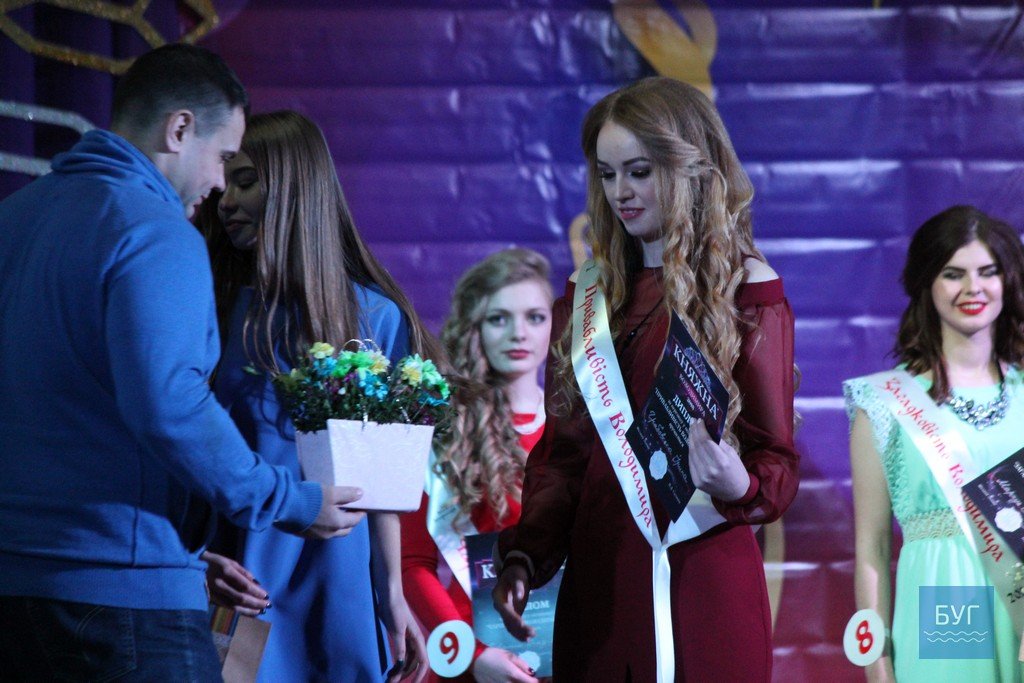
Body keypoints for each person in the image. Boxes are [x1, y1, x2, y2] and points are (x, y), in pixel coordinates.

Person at [0, 45, 364, 679]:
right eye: (223, 158)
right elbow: (171, 406)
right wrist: (288, 500)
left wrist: (189, 557)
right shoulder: (155, 229)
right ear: (179, 129)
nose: (220, 185)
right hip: (123, 603)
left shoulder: (14, 218)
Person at [491, 76, 800, 681]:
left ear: (689, 169)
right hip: (601, 586)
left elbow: (777, 458)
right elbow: (564, 456)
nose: (621, 193)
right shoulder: (587, 297)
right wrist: (526, 554)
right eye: (607, 175)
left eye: (639, 172)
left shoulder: (746, 289)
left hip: (703, 577)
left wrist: (739, 482)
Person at [199, 110, 434, 682]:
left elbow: (379, 482)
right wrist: (195, 561)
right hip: (240, 579)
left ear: (295, 189)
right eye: (224, 183)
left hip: (339, 581)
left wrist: (391, 593)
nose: (227, 201)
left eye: (246, 181)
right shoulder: (210, 305)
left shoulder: (375, 315)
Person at [846, 205, 1024, 682]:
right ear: (927, 282)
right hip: (945, 609)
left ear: (1007, 280)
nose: (973, 288)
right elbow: (872, 548)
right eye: (953, 274)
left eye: (987, 272)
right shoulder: (884, 402)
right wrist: (876, 666)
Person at [402, 248, 553, 683]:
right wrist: (473, 654)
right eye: (499, 318)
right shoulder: (445, 429)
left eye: (535, 317)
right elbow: (413, 563)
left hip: (570, 651)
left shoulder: (583, 426)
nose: (519, 333)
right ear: (476, 327)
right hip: (474, 659)